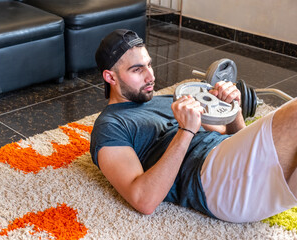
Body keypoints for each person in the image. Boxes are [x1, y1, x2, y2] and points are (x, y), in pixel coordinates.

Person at [90, 29, 297, 223]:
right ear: (110, 77)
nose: (151, 76)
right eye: (137, 70)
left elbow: (230, 136)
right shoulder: (110, 126)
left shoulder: (167, 99)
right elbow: (144, 200)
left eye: (149, 65)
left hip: (251, 174)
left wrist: (233, 109)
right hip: (215, 182)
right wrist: (185, 131)